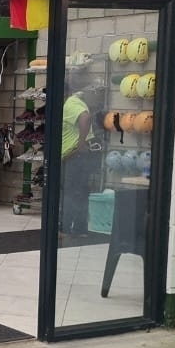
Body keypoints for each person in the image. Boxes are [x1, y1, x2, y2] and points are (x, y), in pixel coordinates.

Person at [60, 85, 98, 236]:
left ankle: (66, 226)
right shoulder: (74, 102)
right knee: (80, 192)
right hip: (78, 156)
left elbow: (85, 117)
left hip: (75, 156)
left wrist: (81, 143)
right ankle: (80, 228)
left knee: (69, 192)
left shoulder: (70, 103)